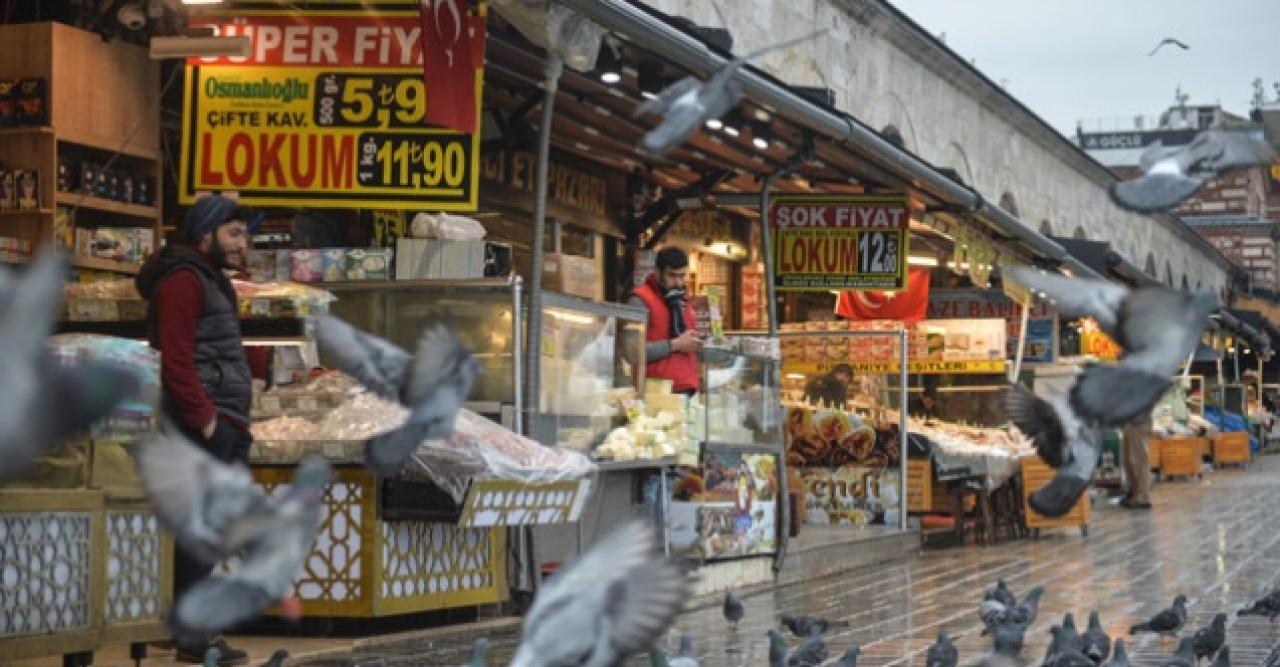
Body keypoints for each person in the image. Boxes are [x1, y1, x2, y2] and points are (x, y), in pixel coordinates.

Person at [136, 194, 264, 666]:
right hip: (206, 422)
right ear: (205, 234)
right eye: (233, 233)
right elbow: (175, 354)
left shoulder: (210, 280)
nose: (241, 243)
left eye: (244, 233)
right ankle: (195, 636)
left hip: (223, 416)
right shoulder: (186, 281)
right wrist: (203, 416)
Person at [630, 247, 702, 395]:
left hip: (687, 385)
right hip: (657, 391)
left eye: (682, 276)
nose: (678, 282)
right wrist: (674, 345)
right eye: (672, 275)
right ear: (657, 272)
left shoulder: (682, 299)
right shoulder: (640, 300)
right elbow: (632, 351)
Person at [1120, 413, 1154, 510]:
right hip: (1129, 420)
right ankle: (1134, 494)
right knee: (1128, 461)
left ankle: (1143, 497)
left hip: (1139, 419)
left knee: (1138, 460)